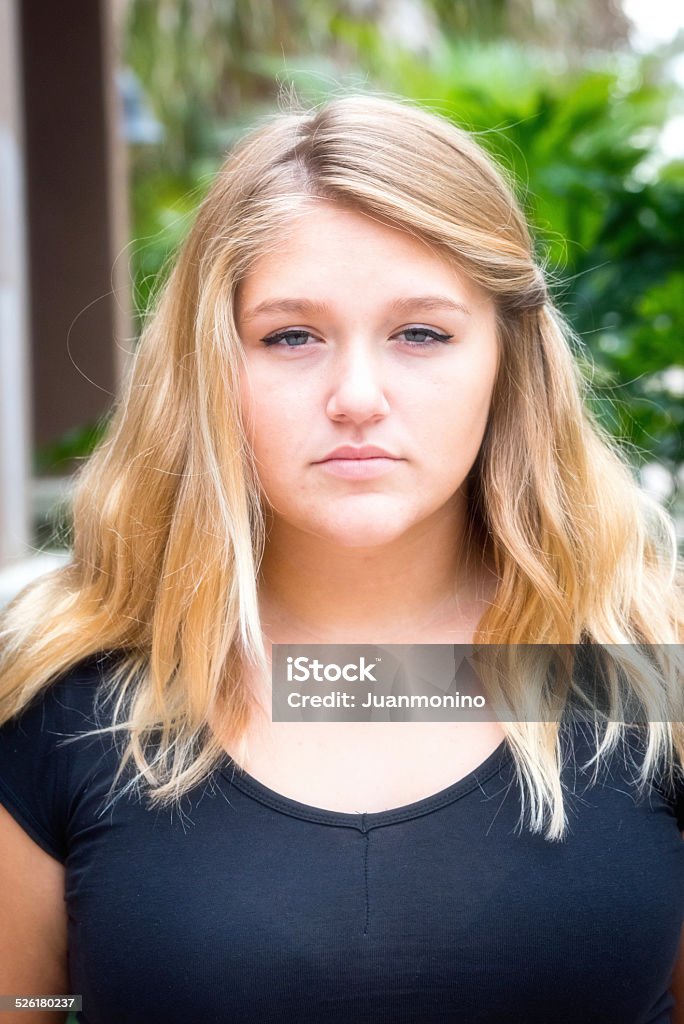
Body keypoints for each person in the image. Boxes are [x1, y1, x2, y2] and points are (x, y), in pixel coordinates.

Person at [0, 91, 682, 1024]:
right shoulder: (65, 696)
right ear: (212, 368)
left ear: (507, 360)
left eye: (421, 333)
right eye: (291, 336)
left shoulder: (649, 669)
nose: (357, 397)